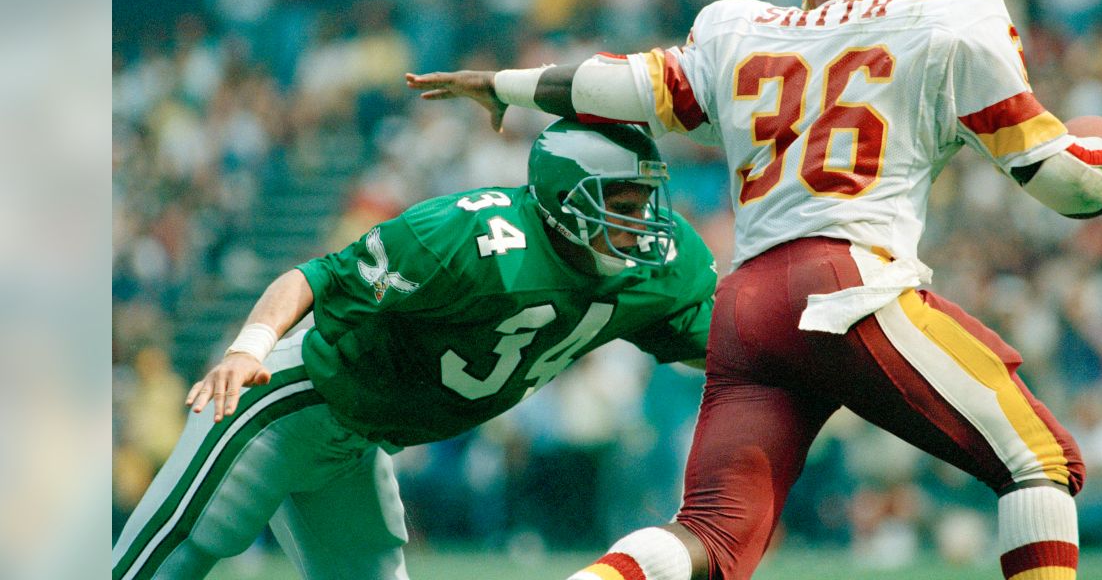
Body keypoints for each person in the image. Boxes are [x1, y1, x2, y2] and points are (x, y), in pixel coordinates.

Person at [407, 0, 1102, 580]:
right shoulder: (951, 24)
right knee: (1038, 462)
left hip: (748, 310)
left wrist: (502, 82)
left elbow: (621, 84)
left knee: (710, 536)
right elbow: (1067, 183)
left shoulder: (743, 30)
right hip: (850, 287)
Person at [111, 119, 718, 580]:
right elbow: (317, 277)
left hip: (358, 442)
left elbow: (714, 345)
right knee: (162, 560)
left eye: (644, 205)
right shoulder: (468, 239)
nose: (643, 224)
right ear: (565, 199)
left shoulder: (648, 272)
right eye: (622, 205)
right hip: (290, 402)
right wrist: (248, 348)